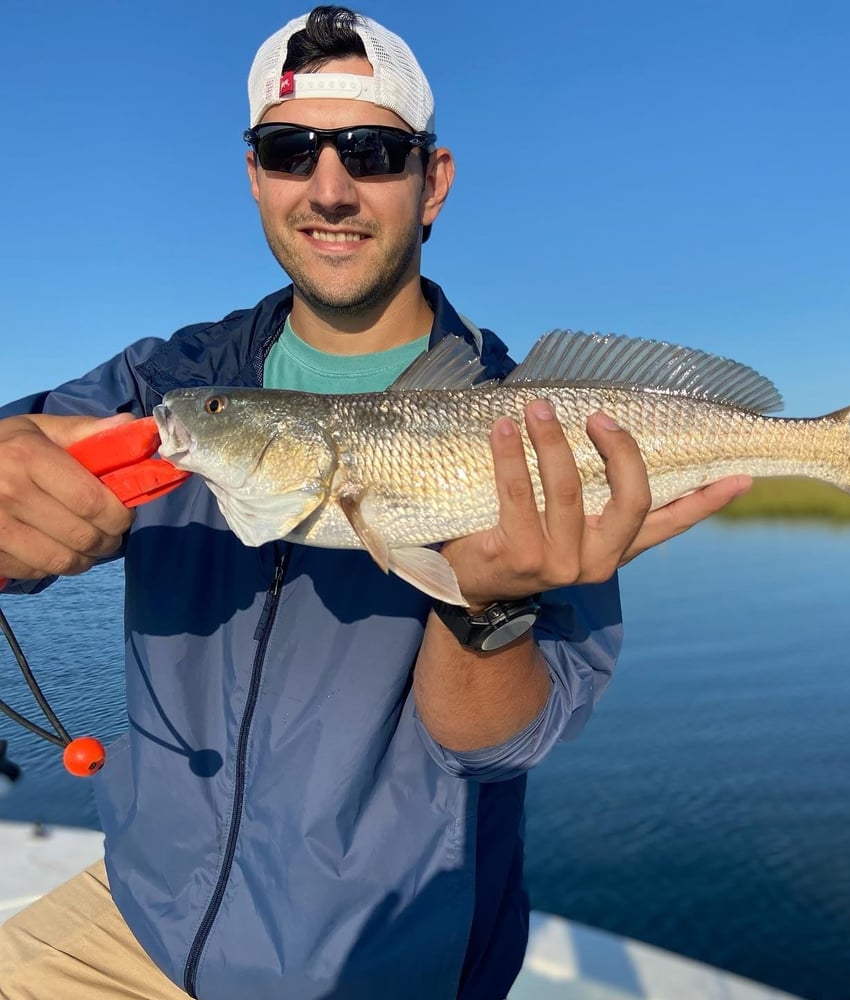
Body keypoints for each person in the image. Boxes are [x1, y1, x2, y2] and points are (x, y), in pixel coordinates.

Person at [0, 8, 749, 999]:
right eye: (287, 149)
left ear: (431, 182)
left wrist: (484, 607)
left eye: (373, 150)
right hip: (136, 915)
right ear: (254, 176)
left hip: (383, 964)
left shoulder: (529, 430)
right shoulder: (168, 382)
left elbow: (499, 742)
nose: (329, 186)